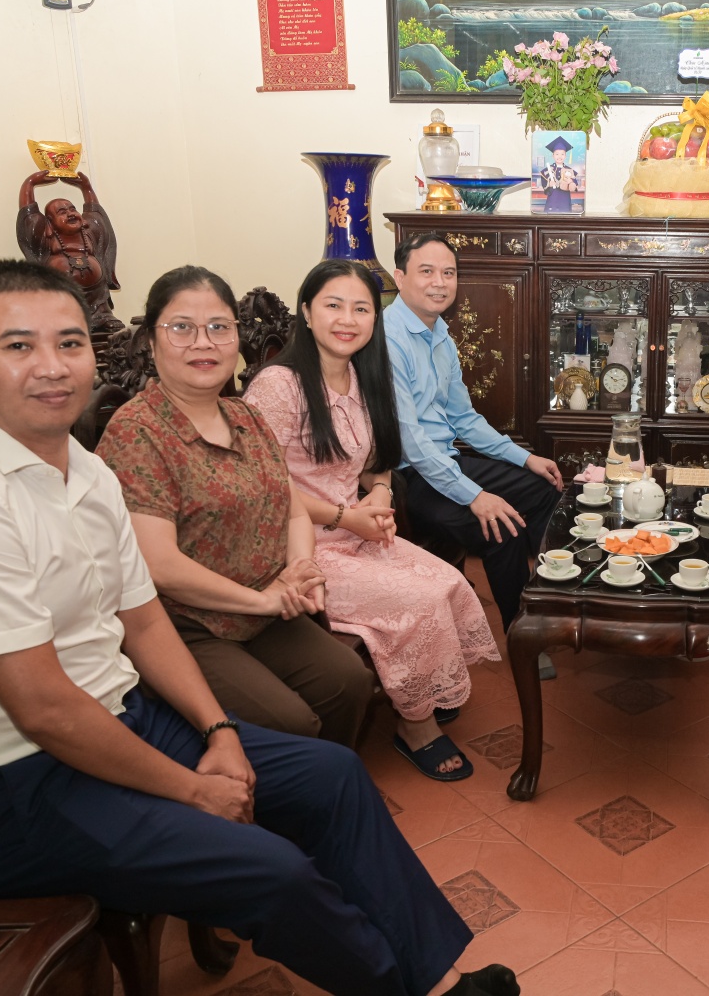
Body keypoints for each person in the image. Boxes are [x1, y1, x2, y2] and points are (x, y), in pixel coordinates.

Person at [0, 259, 520, 996]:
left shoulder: (83, 476)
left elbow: (143, 620)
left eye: (70, 343)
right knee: (272, 870)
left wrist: (218, 734)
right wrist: (191, 790)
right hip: (12, 790)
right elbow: (45, 709)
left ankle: (434, 977)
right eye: (19, 347)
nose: (52, 368)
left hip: (127, 717)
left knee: (334, 775)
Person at [95, 266, 375, 747]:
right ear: (151, 340)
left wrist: (301, 568)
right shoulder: (136, 431)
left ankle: (323, 794)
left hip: (264, 607)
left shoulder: (246, 416)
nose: (204, 343)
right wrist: (263, 600)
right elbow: (158, 565)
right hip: (185, 622)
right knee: (290, 723)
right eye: (182, 327)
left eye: (219, 328)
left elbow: (290, 510)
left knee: (348, 681)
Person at [244, 259, 499, 781]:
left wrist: (379, 496)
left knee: (451, 582)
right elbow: (262, 485)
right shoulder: (278, 386)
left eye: (361, 308)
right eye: (334, 305)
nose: (348, 319)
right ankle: (416, 727)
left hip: (357, 530)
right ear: (308, 313)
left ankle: (426, 684)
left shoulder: (365, 377)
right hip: (300, 547)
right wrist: (346, 516)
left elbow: (377, 462)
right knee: (419, 601)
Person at [384, 231, 565, 634]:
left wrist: (527, 457)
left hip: (444, 461)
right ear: (400, 277)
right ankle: (521, 631)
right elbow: (411, 442)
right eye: (426, 271)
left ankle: (558, 595)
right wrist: (476, 496)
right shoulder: (387, 340)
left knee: (544, 489)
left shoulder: (440, 335)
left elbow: (464, 419)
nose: (439, 282)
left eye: (448, 273)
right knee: (501, 528)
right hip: (406, 477)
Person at [16, 169, 118, 325]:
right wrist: (29, 183)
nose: (71, 214)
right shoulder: (45, 236)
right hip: (60, 301)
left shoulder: (89, 231)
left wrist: (86, 188)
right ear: (49, 221)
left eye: (72, 209)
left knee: (107, 324)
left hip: (97, 301)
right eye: (62, 212)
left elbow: (95, 212)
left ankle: (101, 316)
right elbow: (28, 214)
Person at [539, 136, 579, 214]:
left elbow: (575, 187)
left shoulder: (569, 170)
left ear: (565, 156)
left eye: (562, 154)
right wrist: (549, 184)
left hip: (564, 200)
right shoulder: (547, 170)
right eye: (557, 154)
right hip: (552, 199)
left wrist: (571, 182)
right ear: (553, 155)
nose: (559, 156)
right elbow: (544, 185)